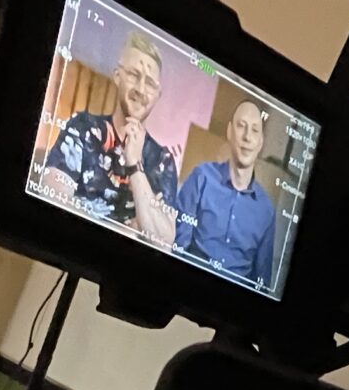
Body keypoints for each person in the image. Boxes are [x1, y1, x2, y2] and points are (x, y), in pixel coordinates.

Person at [35, 31, 178, 245]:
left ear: (158, 95)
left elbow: (163, 241)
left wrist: (135, 165)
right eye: (133, 75)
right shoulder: (82, 127)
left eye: (150, 83)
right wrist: (124, 230)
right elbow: (51, 198)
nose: (141, 89)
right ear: (117, 76)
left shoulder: (162, 160)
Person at [173, 99, 282, 290]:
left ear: (260, 142)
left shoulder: (266, 210)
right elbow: (177, 248)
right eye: (241, 126)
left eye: (255, 130)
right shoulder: (201, 177)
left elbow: (261, 282)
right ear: (230, 132)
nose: (247, 137)